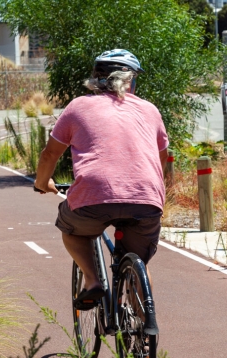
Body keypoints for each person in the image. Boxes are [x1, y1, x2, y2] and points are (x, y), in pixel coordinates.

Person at [34, 49, 169, 310]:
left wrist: (42, 183)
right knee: (139, 261)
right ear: (131, 81)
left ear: (96, 79)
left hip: (93, 197)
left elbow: (50, 153)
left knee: (72, 231)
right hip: (146, 199)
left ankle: (93, 280)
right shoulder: (150, 110)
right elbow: (161, 159)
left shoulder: (79, 106)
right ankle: (143, 333)